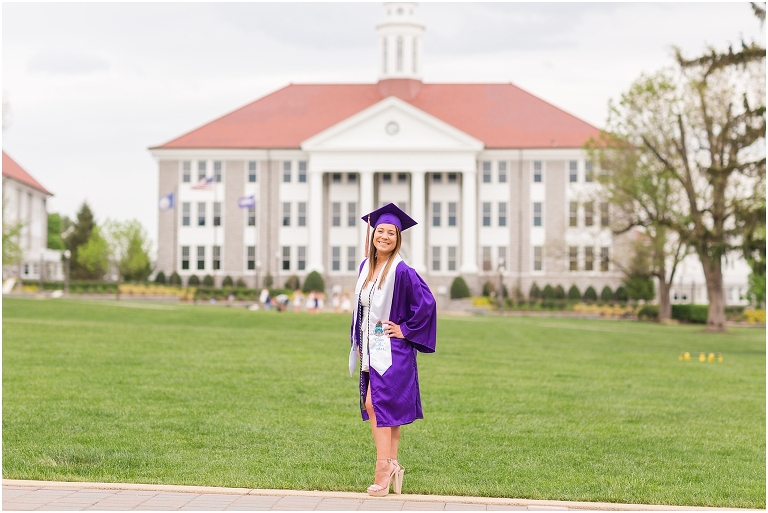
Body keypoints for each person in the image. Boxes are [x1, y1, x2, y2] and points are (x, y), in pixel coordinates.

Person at [349, 203, 437, 498]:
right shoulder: (365, 268)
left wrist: (405, 330)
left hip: (393, 349)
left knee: (377, 405)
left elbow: (427, 304)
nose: (384, 236)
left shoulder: (402, 271)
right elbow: (363, 311)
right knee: (388, 410)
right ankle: (393, 465)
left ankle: (382, 469)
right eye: (380, 231)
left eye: (391, 233)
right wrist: (360, 343)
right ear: (373, 234)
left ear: (398, 238)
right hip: (372, 347)